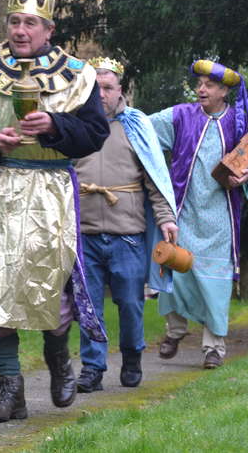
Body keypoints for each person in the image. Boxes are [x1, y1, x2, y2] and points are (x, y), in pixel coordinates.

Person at [0, 0, 110, 422]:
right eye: (15, 21)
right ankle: (10, 390)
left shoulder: (77, 74)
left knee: (50, 298)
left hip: (50, 195)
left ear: (48, 29)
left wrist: (56, 125)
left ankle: (58, 359)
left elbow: (94, 135)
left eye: (30, 23)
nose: (20, 30)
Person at [148, 60, 248, 369]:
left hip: (220, 218)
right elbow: (141, 128)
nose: (201, 89)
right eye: (199, 83)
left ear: (225, 91)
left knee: (215, 282)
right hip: (184, 212)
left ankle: (214, 348)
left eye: (209, 85)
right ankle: (174, 331)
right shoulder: (180, 116)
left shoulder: (239, 123)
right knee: (176, 270)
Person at [74, 57, 178, 392]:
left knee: (131, 303)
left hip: (127, 235)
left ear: (120, 90)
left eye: (107, 88)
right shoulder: (76, 126)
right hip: (85, 233)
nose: (101, 94)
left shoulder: (137, 126)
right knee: (87, 305)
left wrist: (165, 218)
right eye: (95, 88)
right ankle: (92, 368)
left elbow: (155, 180)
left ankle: (132, 357)